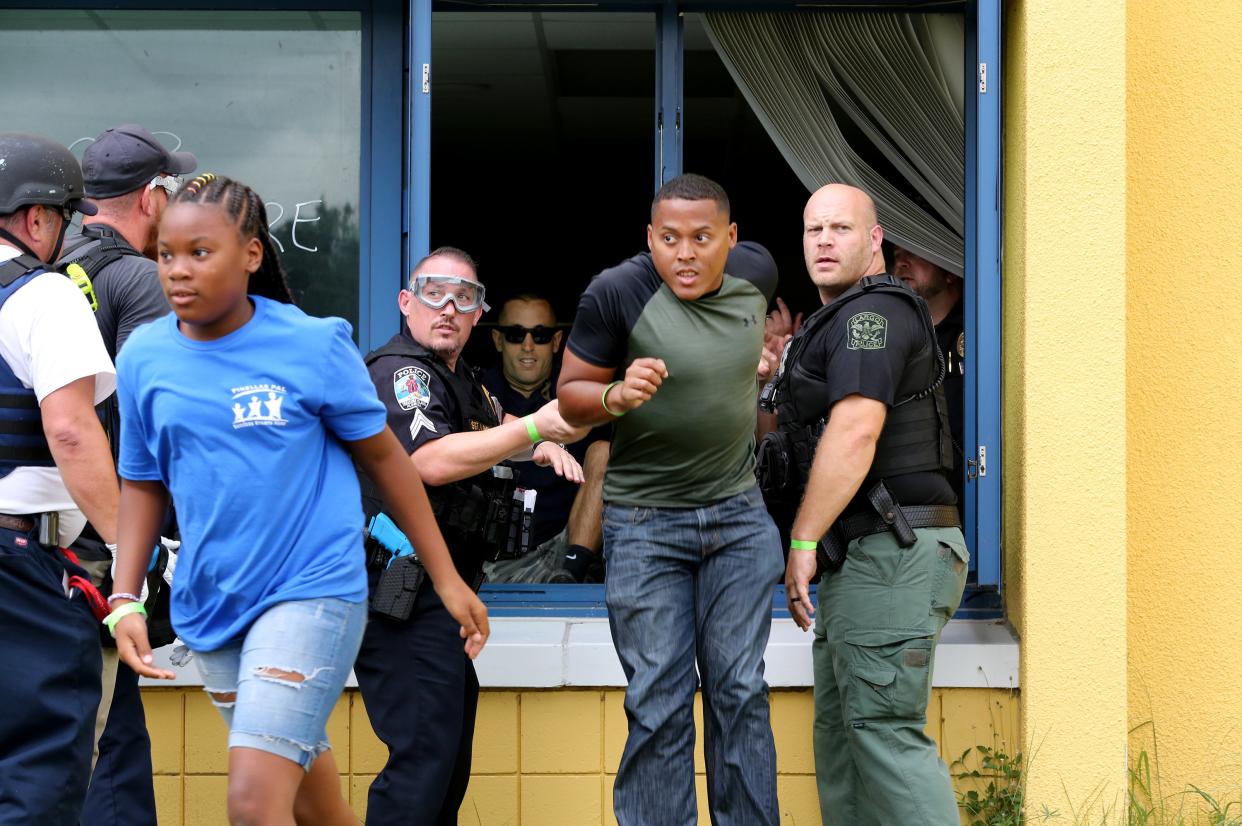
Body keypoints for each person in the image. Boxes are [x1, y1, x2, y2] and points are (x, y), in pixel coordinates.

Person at [106, 174, 489, 826]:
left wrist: (448, 579)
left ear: (251, 253)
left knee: (254, 801)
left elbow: (389, 462)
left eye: (201, 252)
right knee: (313, 804)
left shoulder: (314, 346)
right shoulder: (144, 355)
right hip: (215, 602)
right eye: (166, 254)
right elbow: (143, 481)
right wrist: (124, 597)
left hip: (312, 591)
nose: (177, 271)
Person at [557, 173, 783, 826]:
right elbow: (569, 390)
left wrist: (757, 362)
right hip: (645, 524)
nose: (685, 254)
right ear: (649, 238)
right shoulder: (617, 293)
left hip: (738, 520)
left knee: (738, 690)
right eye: (669, 238)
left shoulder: (757, 275)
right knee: (659, 696)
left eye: (702, 238)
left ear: (731, 240)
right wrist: (613, 396)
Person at [355, 247, 584, 825]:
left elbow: (487, 421)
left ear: (478, 313)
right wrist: (537, 426)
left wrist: (537, 441)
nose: (449, 307)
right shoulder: (401, 372)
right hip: (401, 595)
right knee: (423, 762)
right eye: (434, 293)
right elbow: (429, 459)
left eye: (465, 297)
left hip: (441, 596)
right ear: (406, 302)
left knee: (445, 763)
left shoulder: (460, 381)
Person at [767, 184, 965, 825]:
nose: (824, 241)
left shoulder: (868, 317)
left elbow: (855, 432)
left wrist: (800, 542)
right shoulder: (836, 321)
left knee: (881, 736)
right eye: (813, 230)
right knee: (846, 741)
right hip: (866, 556)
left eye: (841, 229)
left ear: (875, 240)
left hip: (894, 550)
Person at [57, 123, 197, 826]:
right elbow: (162, 416)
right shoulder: (140, 281)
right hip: (101, 549)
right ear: (152, 197)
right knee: (112, 753)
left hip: (36, 547)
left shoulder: (43, 272)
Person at [0, 132, 119, 824]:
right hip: (22, 571)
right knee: (36, 772)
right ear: (39, 218)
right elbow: (72, 430)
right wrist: (129, 555)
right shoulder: (43, 297)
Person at [481, 294, 609, 583]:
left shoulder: (579, 395)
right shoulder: (478, 393)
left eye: (540, 335)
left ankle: (572, 575)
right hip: (495, 561)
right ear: (498, 340)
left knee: (604, 451)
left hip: (568, 554)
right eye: (516, 334)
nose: (528, 345)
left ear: (556, 341)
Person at [892, 245, 966, 517]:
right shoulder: (893, 333)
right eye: (897, 256)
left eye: (914, 251)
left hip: (975, 494)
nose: (902, 263)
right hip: (917, 507)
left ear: (949, 270)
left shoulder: (982, 322)